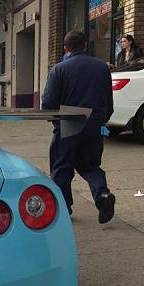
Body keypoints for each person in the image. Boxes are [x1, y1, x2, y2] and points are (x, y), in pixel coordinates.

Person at [42, 30, 115, 224]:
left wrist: (56, 121)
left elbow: (48, 103)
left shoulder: (59, 69)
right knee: (90, 165)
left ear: (66, 49)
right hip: (95, 122)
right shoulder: (102, 68)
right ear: (85, 46)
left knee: (62, 167)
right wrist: (101, 120)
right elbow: (108, 100)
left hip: (69, 120)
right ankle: (103, 195)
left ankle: (64, 207)